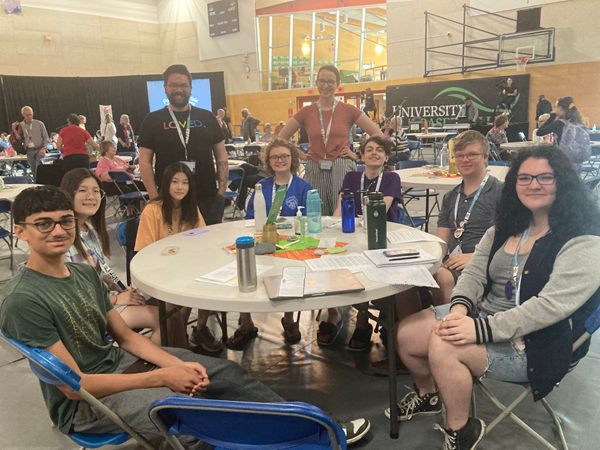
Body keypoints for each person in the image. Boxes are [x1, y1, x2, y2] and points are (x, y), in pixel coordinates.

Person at [0, 185, 371, 448]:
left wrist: (175, 366)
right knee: (196, 418)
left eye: (65, 220)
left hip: (124, 364)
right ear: (20, 231)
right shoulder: (24, 300)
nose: (59, 230)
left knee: (224, 372)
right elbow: (74, 386)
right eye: (43, 223)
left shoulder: (82, 274)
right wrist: (162, 376)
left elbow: (127, 338)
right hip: (86, 404)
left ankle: (316, 430)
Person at [392, 145, 600, 449]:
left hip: (539, 342)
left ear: (564, 181)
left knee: (444, 344)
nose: (533, 185)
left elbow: (549, 308)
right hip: (484, 319)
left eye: (545, 177)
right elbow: (475, 275)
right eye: (525, 178)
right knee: (407, 334)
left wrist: (477, 329)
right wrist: (460, 310)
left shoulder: (583, 239)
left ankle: (460, 431)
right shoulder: (507, 227)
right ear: (514, 184)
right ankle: (429, 395)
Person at [371, 130, 503, 375]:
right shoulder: (452, 196)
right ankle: (411, 346)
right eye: (459, 155)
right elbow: (441, 239)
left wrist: (475, 257)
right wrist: (433, 258)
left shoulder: (501, 193)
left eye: (471, 154)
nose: (464, 159)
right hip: (454, 261)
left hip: (484, 264)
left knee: (440, 277)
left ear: (486, 158)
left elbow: (510, 241)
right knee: (406, 272)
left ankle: (448, 344)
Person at [60, 169, 161, 345]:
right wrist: (116, 299)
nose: (91, 196)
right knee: (161, 318)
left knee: (166, 306)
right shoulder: (62, 239)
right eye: (83, 190)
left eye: (96, 191)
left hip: (104, 301)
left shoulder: (89, 229)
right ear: (68, 193)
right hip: (87, 314)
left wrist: (120, 287)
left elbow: (102, 268)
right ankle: (158, 367)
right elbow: (73, 295)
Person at [231, 138, 312, 348]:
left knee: (292, 271)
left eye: (284, 156)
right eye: (274, 157)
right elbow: (250, 218)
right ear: (268, 161)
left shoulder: (303, 186)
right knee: (243, 267)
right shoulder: (261, 186)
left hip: (291, 243)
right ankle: (246, 323)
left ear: (292, 158)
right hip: (263, 240)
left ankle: (289, 319)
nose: (280, 160)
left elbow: (309, 220)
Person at [135, 162, 224, 352]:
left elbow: (203, 240)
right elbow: (144, 253)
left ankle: (195, 331)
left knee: (211, 280)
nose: (180, 187)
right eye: (174, 182)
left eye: (185, 183)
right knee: (180, 299)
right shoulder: (152, 210)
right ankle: (178, 341)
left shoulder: (191, 209)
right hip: (158, 272)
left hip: (186, 269)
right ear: (166, 184)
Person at [279, 65, 383, 218]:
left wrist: (358, 155)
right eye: (322, 81)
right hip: (315, 166)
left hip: (342, 165)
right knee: (315, 214)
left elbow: (378, 135)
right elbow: (280, 139)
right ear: (316, 82)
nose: (325, 85)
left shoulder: (349, 110)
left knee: (342, 213)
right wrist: (298, 154)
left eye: (330, 81)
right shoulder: (306, 112)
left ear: (337, 84)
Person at [330, 136, 402, 349]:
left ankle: (363, 322)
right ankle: (331, 315)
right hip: (352, 233)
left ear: (386, 156)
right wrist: (335, 234)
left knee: (362, 265)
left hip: (381, 236)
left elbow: (381, 211)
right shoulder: (352, 177)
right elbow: (339, 209)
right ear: (361, 156)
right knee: (332, 259)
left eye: (380, 150)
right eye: (369, 149)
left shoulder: (391, 178)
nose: (374, 153)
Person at [138, 64, 228, 226]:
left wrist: (221, 193)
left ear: (190, 89)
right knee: (174, 248)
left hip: (207, 197)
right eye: (173, 85)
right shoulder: (152, 120)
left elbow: (221, 155)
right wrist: (154, 197)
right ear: (165, 88)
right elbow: (144, 161)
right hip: (169, 200)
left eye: (183, 85)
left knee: (208, 247)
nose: (178, 89)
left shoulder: (207, 117)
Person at [11, 106, 49, 181]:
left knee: (39, 169)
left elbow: (46, 138)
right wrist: (14, 130)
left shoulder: (39, 124)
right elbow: (19, 138)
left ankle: (41, 184)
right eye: (27, 115)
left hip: (39, 149)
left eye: (31, 114)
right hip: (29, 151)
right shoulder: (21, 125)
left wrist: (44, 148)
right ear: (23, 115)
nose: (30, 116)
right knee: (33, 170)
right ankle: (36, 184)